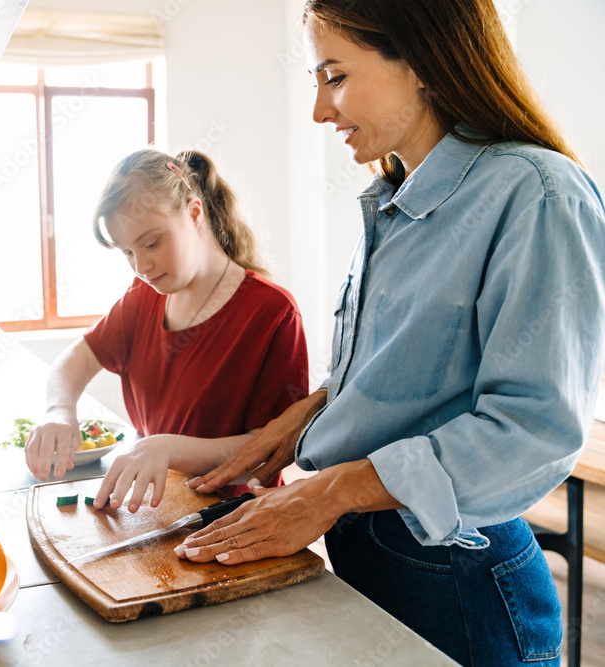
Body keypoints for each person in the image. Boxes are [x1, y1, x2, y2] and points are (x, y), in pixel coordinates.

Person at [175, 2, 605, 665]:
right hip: (371, 553)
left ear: (424, 62)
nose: (321, 110)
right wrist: (300, 421)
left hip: (459, 579)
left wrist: (330, 489)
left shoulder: (539, 193)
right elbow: (408, 364)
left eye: (336, 76)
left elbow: (531, 430)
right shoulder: (396, 199)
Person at [25, 149, 308, 512]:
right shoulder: (141, 298)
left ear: (194, 213)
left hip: (234, 521)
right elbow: (75, 360)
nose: (141, 266)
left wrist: (164, 448)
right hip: (157, 511)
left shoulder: (273, 313)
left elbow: (268, 451)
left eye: (151, 243)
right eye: (127, 252)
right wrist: (58, 411)